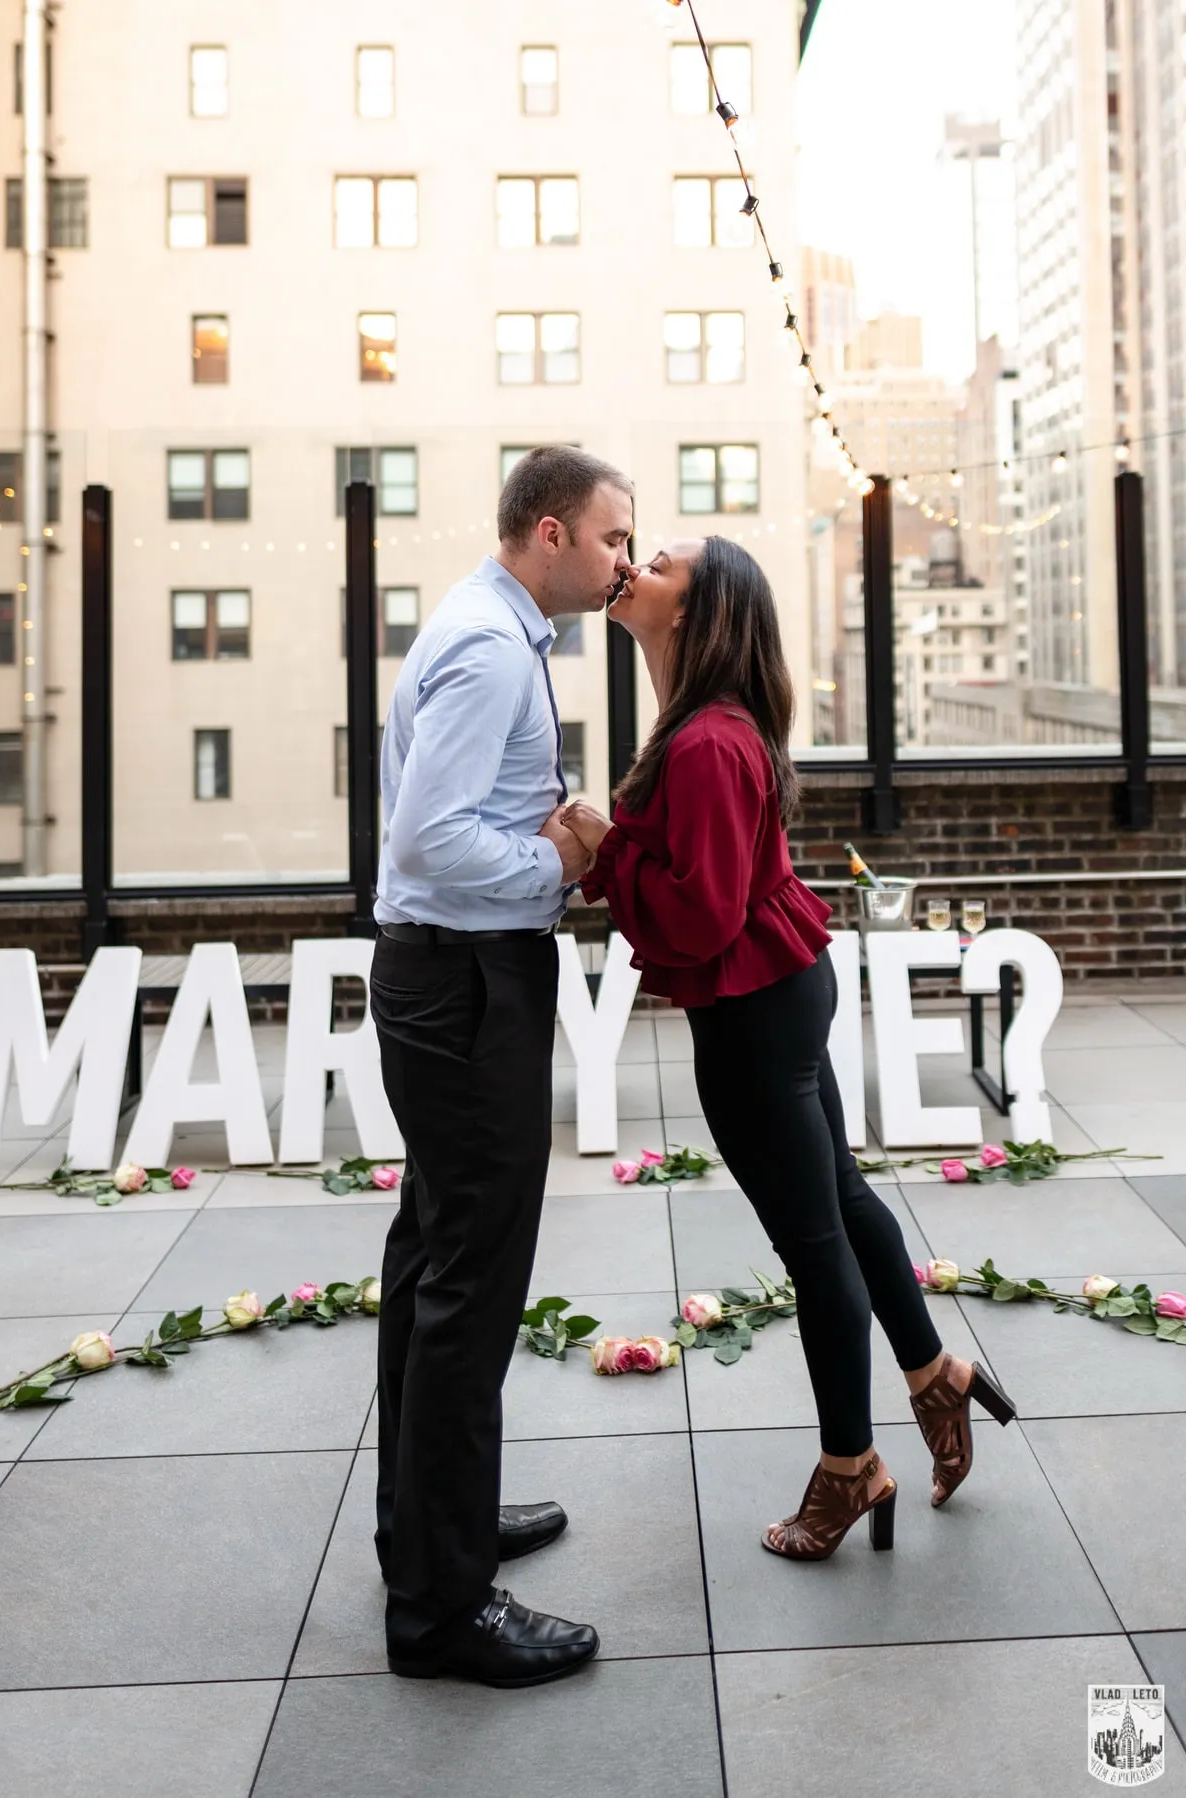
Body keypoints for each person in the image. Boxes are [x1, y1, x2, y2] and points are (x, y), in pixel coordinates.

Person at [562, 536, 1017, 1562]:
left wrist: (607, 851)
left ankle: (849, 1468)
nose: (637, 561)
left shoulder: (709, 744)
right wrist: (625, 845)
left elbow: (700, 914)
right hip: (777, 989)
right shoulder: (706, 725)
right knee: (842, 1202)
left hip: (754, 1008)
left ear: (697, 610)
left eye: (661, 558)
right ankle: (934, 1374)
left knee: (814, 1242)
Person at [369, 446, 634, 1684]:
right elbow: (430, 839)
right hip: (467, 984)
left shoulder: (491, 627)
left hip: (452, 982)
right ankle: (442, 1610)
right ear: (549, 533)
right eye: (612, 537)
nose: (624, 560)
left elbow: (463, 810)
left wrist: (551, 817)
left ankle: (431, 1536)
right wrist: (563, 867)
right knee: (469, 1287)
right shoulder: (489, 646)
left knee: (434, 1258)